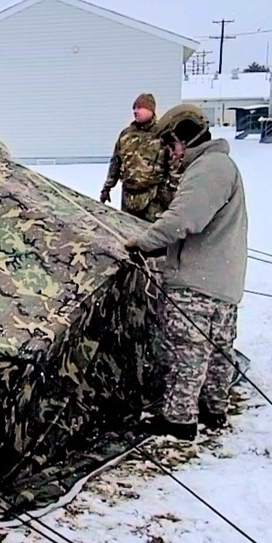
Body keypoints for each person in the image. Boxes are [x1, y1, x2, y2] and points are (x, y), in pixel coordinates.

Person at [124, 104, 248, 441]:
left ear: (184, 137)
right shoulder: (221, 166)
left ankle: (179, 420)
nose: (170, 152)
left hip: (197, 281)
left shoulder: (209, 168)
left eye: (171, 143)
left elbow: (183, 218)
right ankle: (213, 409)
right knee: (217, 350)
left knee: (186, 351)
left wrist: (144, 242)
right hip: (221, 279)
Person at [101, 93, 168, 222]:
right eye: (134, 108)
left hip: (153, 199)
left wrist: (168, 194)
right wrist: (107, 187)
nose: (135, 111)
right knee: (128, 234)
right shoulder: (126, 135)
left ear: (151, 110)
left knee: (151, 236)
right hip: (128, 198)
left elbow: (172, 167)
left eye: (140, 107)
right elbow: (116, 162)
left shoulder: (162, 135)